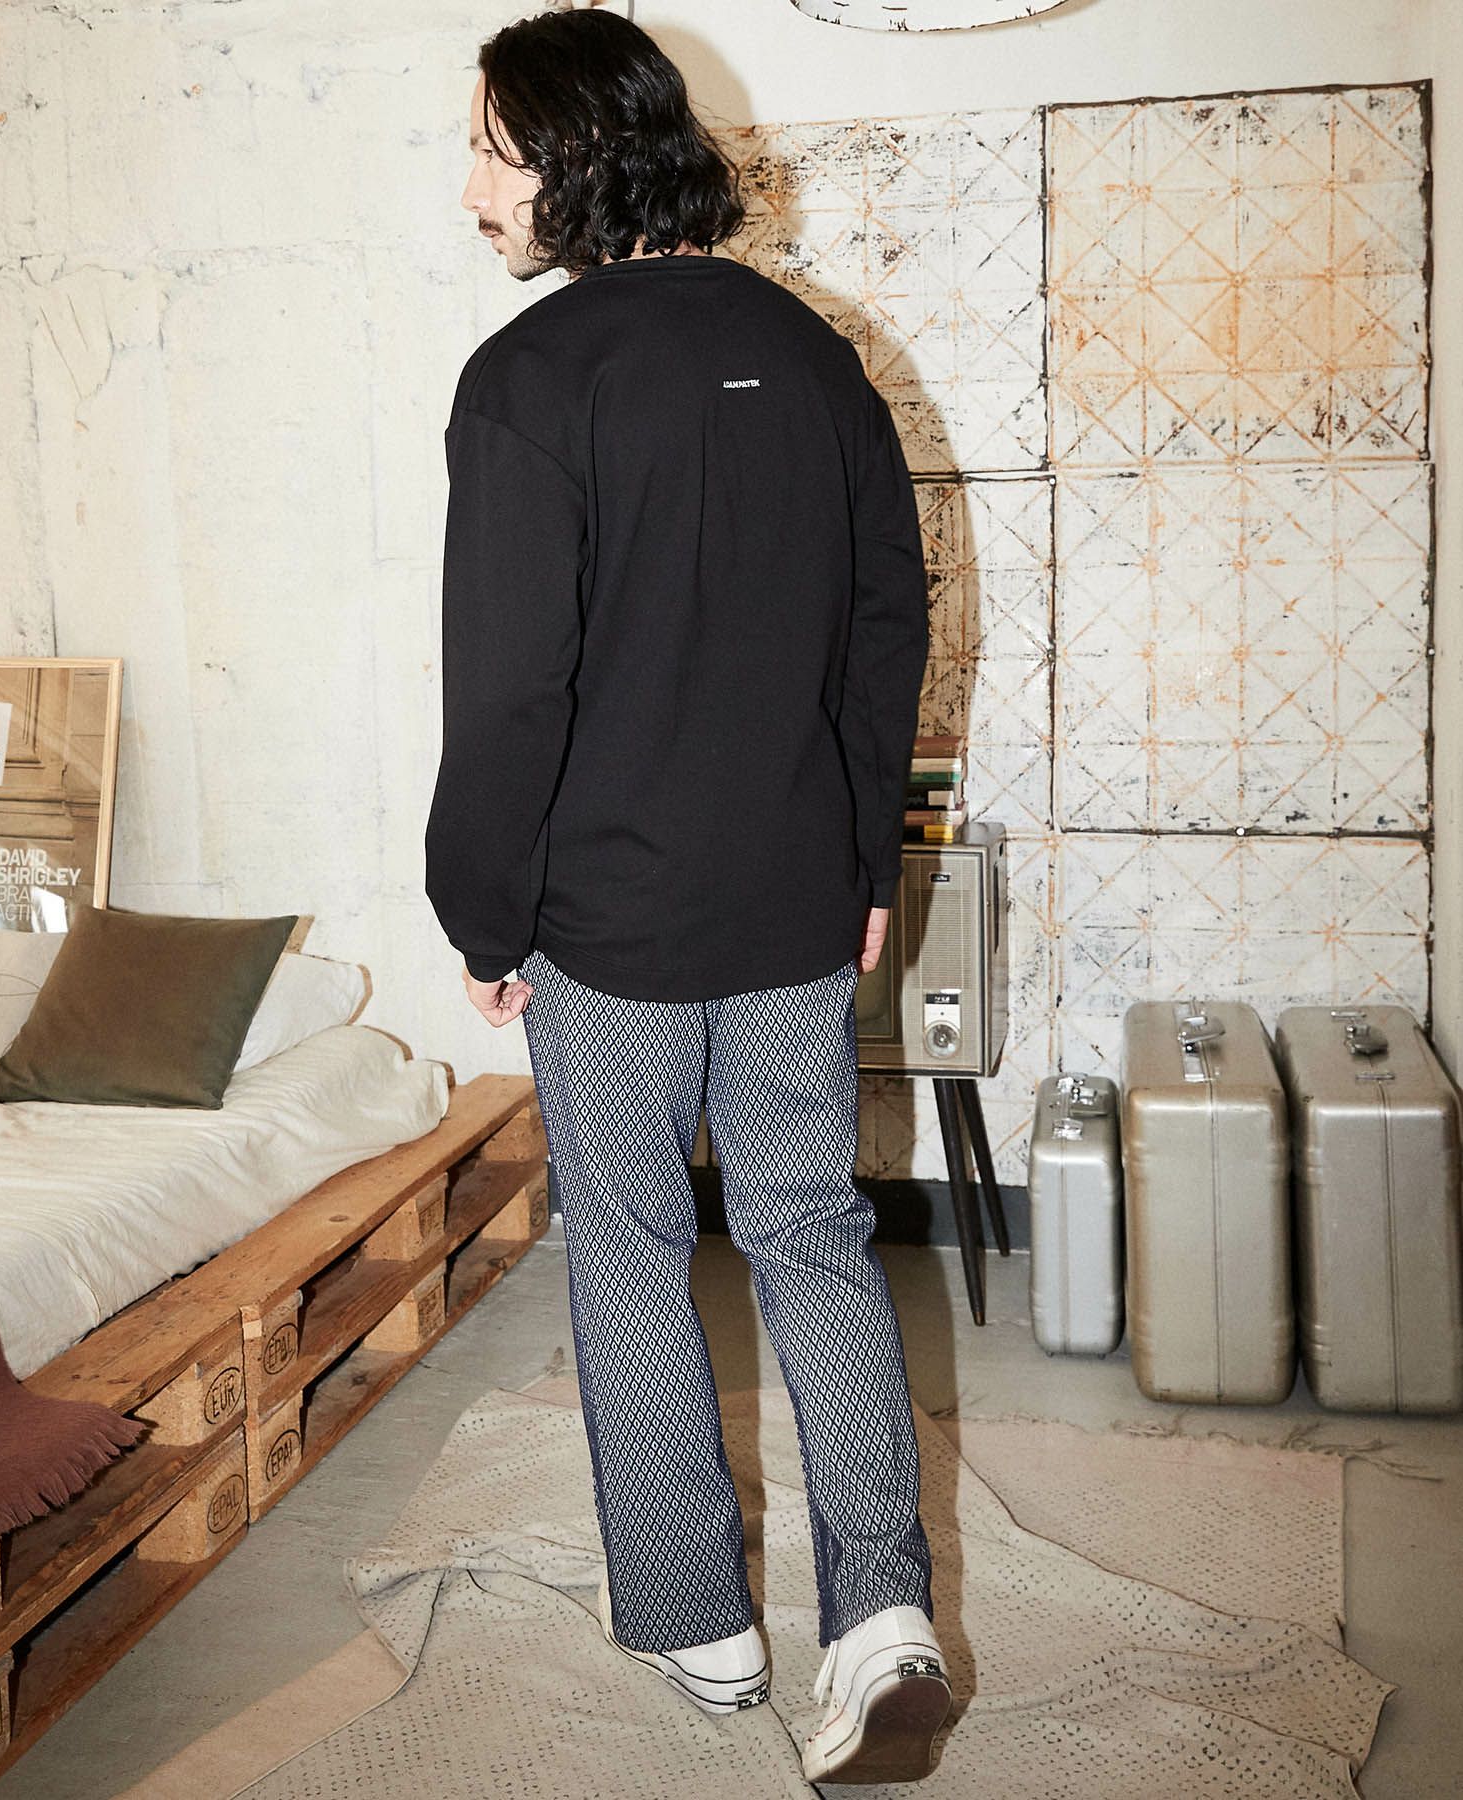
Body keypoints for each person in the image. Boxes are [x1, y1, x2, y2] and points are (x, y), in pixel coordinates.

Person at [423, 8, 950, 1785]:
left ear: (573, 156)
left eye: (490, 148)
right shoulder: (812, 352)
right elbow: (888, 626)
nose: (471, 187)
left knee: (635, 1249)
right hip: (795, 899)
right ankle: (883, 1616)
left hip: (612, 926)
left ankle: (697, 1625)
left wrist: (482, 909)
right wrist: (863, 858)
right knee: (811, 1232)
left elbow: (511, 687)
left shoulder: (529, 378)